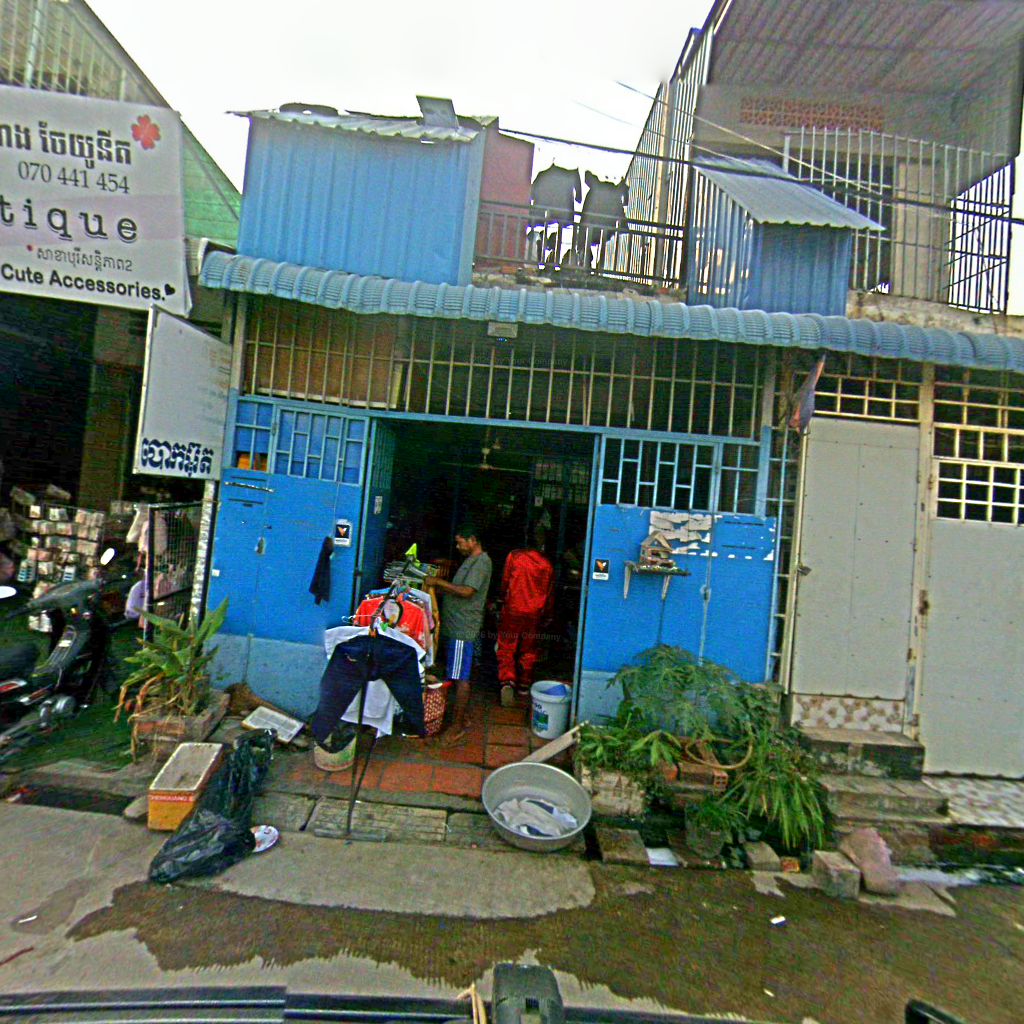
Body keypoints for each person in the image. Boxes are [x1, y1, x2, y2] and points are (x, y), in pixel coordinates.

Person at [423, 525, 492, 744]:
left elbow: (467, 591)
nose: (457, 546)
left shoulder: (481, 562)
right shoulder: (470, 560)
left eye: (460, 542)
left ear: (473, 540)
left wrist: (437, 582)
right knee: (455, 673)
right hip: (455, 625)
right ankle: (461, 716)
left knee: (461, 677)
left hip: (463, 627)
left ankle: (457, 725)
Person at [496, 526, 555, 707]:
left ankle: (507, 681)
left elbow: (505, 582)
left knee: (507, 645)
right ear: (542, 543)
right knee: (529, 649)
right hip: (534, 613)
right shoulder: (547, 565)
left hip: (513, 609)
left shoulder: (515, 557)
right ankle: (524, 683)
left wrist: (500, 599)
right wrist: (547, 615)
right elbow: (549, 594)